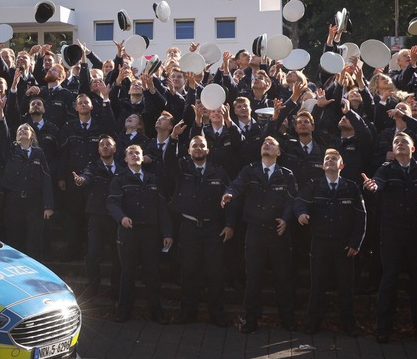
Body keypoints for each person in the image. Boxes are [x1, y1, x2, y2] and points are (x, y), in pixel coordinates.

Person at [362, 132, 417, 343]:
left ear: (413, 148)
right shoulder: (385, 169)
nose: (399, 145)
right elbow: (377, 184)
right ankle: (384, 329)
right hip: (392, 234)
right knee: (389, 280)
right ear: (392, 149)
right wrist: (373, 187)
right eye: (396, 142)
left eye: (404, 142)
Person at [221, 136, 298, 333]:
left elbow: (292, 199)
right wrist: (229, 193)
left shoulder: (286, 174)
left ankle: (288, 320)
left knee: (283, 278)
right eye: (264, 143)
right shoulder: (250, 170)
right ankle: (251, 319)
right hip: (255, 231)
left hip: (278, 233)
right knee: (253, 278)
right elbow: (237, 184)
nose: (266, 145)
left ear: (278, 152)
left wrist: (286, 218)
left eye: (271, 144)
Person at [295, 149, 365, 336]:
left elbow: (361, 217)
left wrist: (355, 242)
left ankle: (349, 325)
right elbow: (299, 201)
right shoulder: (313, 185)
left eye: (334, 159)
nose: (330, 161)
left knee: (345, 287)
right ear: (322, 165)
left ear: (341, 165)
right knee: (317, 285)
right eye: (327, 158)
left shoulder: (351, 188)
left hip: (344, 245)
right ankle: (312, 324)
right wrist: (301, 213)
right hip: (320, 243)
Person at [168, 132, 232, 327]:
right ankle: (187, 313)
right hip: (188, 227)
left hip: (213, 228)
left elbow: (230, 199)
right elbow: (168, 159)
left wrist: (230, 224)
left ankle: (217, 314)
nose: (198, 149)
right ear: (188, 150)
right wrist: (173, 139)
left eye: (201, 146)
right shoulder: (182, 168)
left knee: (215, 272)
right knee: (188, 271)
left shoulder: (219, 172)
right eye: (194, 146)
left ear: (207, 150)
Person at [106, 144, 172, 324]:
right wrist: (122, 218)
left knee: (152, 273)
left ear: (143, 158)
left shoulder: (153, 179)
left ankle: (157, 313)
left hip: (150, 233)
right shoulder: (119, 179)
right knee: (127, 273)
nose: (134, 156)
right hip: (129, 232)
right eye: (131, 153)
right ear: (125, 159)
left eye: (138, 153)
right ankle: (123, 312)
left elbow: (162, 208)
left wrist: (167, 232)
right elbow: (112, 203)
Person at [71, 135, 123, 301]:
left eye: (108, 144)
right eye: (102, 145)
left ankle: (117, 291)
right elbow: (87, 176)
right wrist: (81, 180)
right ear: (98, 150)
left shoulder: (122, 169)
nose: (105, 147)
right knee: (93, 254)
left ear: (115, 148)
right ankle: (93, 289)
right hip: (97, 217)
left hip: (117, 219)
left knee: (118, 256)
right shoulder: (93, 166)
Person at [0, 124, 54, 259]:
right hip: (14, 201)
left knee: (34, 239)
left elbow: (46, 179)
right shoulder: (11, 150)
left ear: (32, 135)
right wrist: (1, 118)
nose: (22, 131)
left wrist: (48, 206)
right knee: (15, 237)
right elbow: (3, 137)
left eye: (25, 129)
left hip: (34, 202)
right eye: (19, 130)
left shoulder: (39, 153)